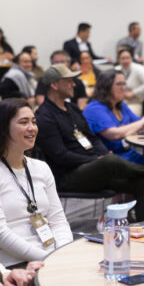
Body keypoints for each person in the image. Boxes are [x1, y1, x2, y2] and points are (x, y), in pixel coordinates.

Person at [35, 64, 144, 222]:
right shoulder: (44, 116)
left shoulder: (72, 108)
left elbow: (92, 138)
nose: (74, 84)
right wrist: (95, 160)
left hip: (93, 168)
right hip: (68, 176)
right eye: (69, 81)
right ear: (55, 85)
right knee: (111, 161)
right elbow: (60, 155)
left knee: (141, 181)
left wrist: (102, 155)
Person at [0, 98, 73, 267]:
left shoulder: (41, 168)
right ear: (4, 128)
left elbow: (58, 220)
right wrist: (49, 259)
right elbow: (2, 234)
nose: (32, 128)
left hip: (52, 256)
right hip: (14, 264)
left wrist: (62, 252)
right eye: (24, 122)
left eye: (34, 121)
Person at [83, 69, 144, 164]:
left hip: (129, 153)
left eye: (124, 84)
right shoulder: (94, 108)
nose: (123, 88)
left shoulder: (121, 105)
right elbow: (114, 134)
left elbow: (139, 125)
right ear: (106, 86)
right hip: (109, 159)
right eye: (119, 84)